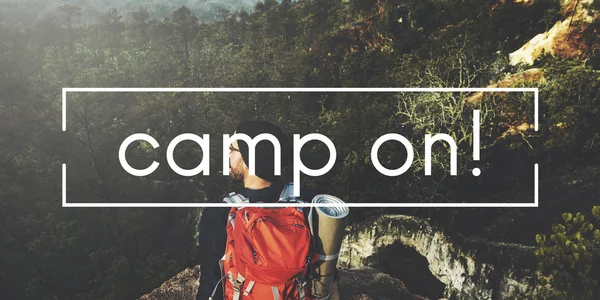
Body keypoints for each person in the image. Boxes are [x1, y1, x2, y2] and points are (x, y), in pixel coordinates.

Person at [196, 121, 319, 300]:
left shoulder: (220, 212)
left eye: (231, 149)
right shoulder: (308, 202)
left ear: (248, 160)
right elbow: (327, 274)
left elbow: (210, 284)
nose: (227, 154)